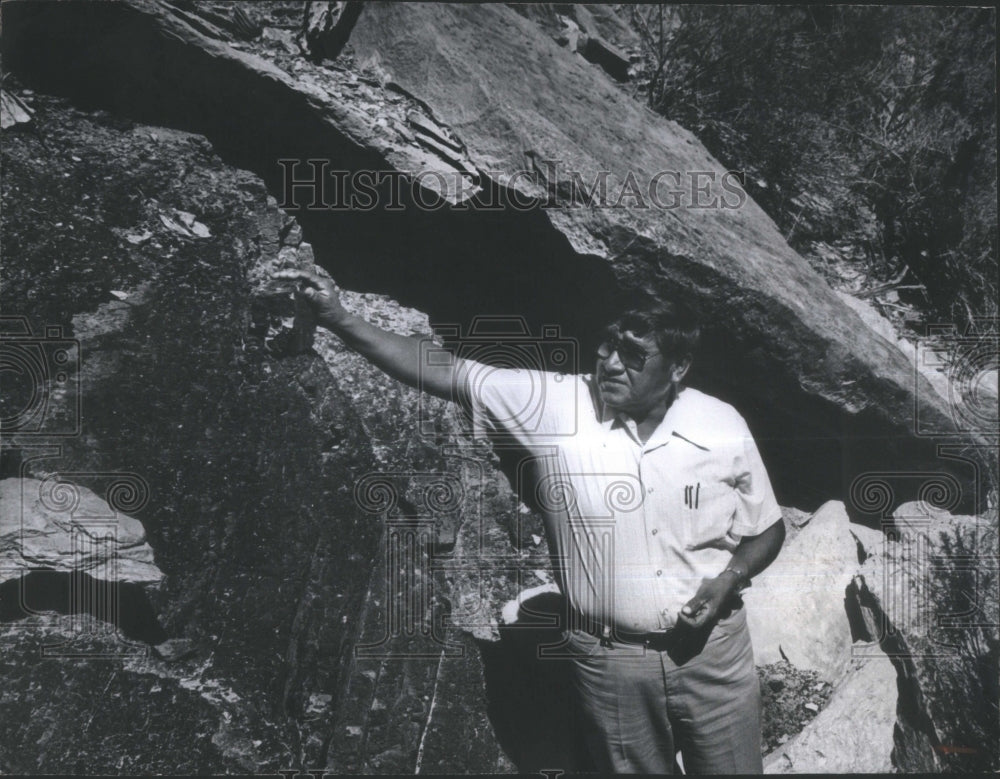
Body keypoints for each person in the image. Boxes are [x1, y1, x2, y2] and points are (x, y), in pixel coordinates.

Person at [275, 268, 786, 774]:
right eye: (607, 345)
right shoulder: (555, 406)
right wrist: (339, 318)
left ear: (678, 368)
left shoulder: (720, 424)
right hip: (609, 664)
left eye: (634, 355)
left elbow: (768, 528)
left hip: (714, 656)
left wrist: (729, 579)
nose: (610, 363)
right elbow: (446, 371)